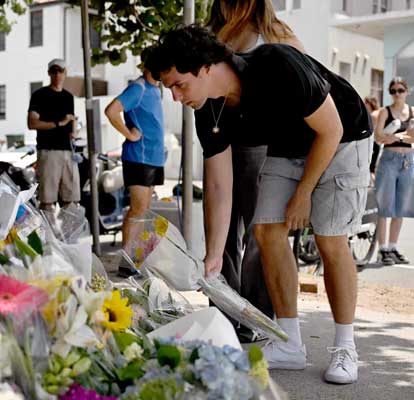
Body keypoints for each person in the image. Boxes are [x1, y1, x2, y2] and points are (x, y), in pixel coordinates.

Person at [150, 24, 372, 384]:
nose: (175, 97)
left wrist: (303, 193)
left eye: (179, 84)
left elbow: (329, 130)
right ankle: (289, 344)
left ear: (206, 67)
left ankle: (346, 346)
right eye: (169, 88)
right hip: (289, 146)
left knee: (330, 239)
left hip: (343, 136)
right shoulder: (207, 109)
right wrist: (215, 256)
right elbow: (220, 186)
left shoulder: (276, 64)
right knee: (267, 231)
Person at [202, 0, 306, 342]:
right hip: (220, 142)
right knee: (220, 231)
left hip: (263, 146)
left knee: (260, 233)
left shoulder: (276, 33)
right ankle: (224, 309)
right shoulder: (212, 32)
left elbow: (303, 84)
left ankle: (257, 313)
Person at [104, 48, 165, 261]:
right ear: (147, 65)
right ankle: (127, 260)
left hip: (154, 157)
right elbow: (111, 110)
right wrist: (129, 134)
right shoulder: (138, 88)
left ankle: (136, 259)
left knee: (145, 210)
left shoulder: (157, 89)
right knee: (138, 209)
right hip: (138, 157)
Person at [373, 78, 414, 265]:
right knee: (385, 206)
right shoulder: (385, 112)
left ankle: (393, 246)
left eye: (400, 90)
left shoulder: (413, 112)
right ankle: (382, 249)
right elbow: (379, 136)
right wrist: (402, 134)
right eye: (393, 90)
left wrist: (395, 135)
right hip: (389, 161)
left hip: (407, 161)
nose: (397, 94)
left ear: (407, 91)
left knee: (401, 206)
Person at [27, 59, 79, 213]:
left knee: (72, 199)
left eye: (61, 71)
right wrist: (58, 123)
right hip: (48, 151)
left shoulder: (68, 97)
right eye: (54, 71)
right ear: (49, 73)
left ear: (65, 73)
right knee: (47, 201)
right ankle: (48, 236)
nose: (57, 74)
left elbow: (71, 121)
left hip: (68, 151)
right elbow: (32, 123)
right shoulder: (39, 95)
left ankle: (68, 236)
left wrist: (73, 129)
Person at [365, 96, 381, 178]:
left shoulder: (373, 114)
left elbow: (371, 130)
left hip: (373, 142)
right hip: (377, 143)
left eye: (366, 103)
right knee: (373, 167)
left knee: (371, 168)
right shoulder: (378, 112)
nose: (364, 105)